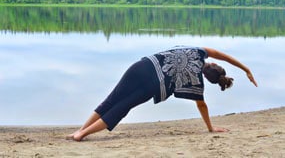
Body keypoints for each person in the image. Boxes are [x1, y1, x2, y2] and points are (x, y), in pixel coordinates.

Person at [66, 46, 257, 141]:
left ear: (213, 65)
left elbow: (223, 55)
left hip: (141, 67)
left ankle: (80, 130)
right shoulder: (197, 82)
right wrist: (210, 128)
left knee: (112, 100)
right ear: (208, 78)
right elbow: (202, 105)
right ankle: (82, 134)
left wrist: (245, 68)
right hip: (152, 85)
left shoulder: (199, 52)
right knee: (122, 107)